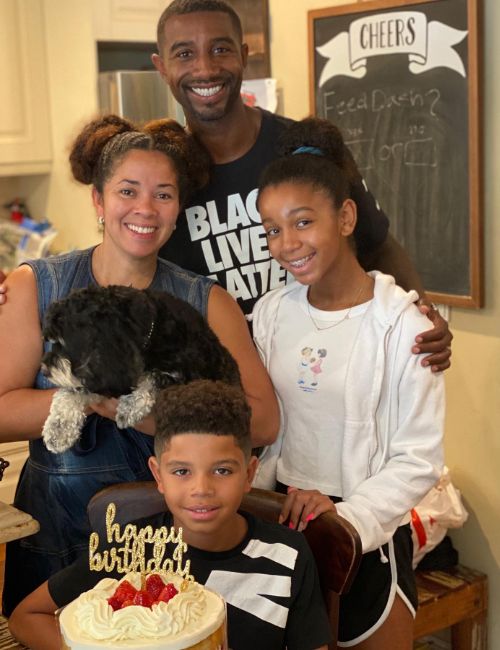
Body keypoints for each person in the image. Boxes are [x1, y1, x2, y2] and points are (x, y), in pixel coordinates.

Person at [0, 0, 452, 371]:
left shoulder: (305, 150)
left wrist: (420, 314)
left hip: (322, 371)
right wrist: (16, 292)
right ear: (161, 66)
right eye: (183, 53)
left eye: (220, 49)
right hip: (209, 391)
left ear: (243, 53)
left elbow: (376, 242)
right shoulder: (167, 174)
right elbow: (119, 259)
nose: (204, 68)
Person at [0, 115, 279, 616]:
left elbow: (262, 420)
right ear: (99, 201)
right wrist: (88, 396)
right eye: (127, 191)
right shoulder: (34, 286)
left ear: (178, 210)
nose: (145, 209)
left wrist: (135, 406)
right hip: (58, 538)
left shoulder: (206, 301)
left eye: (164, 194)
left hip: (167, 545)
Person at [251, 117, 445, 649]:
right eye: (272, 229)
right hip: (281, 524)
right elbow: (264, 426)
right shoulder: (270, 314)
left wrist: (348, 521)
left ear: (345, 216)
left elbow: (418, 458)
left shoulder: (405, 326)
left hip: (366, 533)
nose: (287, 243)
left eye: (303, 222)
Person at [8, 380, 331, 650]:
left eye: (222, 470)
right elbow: (27, 617)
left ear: (249, 474)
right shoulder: (129, 549)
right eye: (181, 471)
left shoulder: (288, 553)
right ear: (158, 475)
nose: (201, 488)